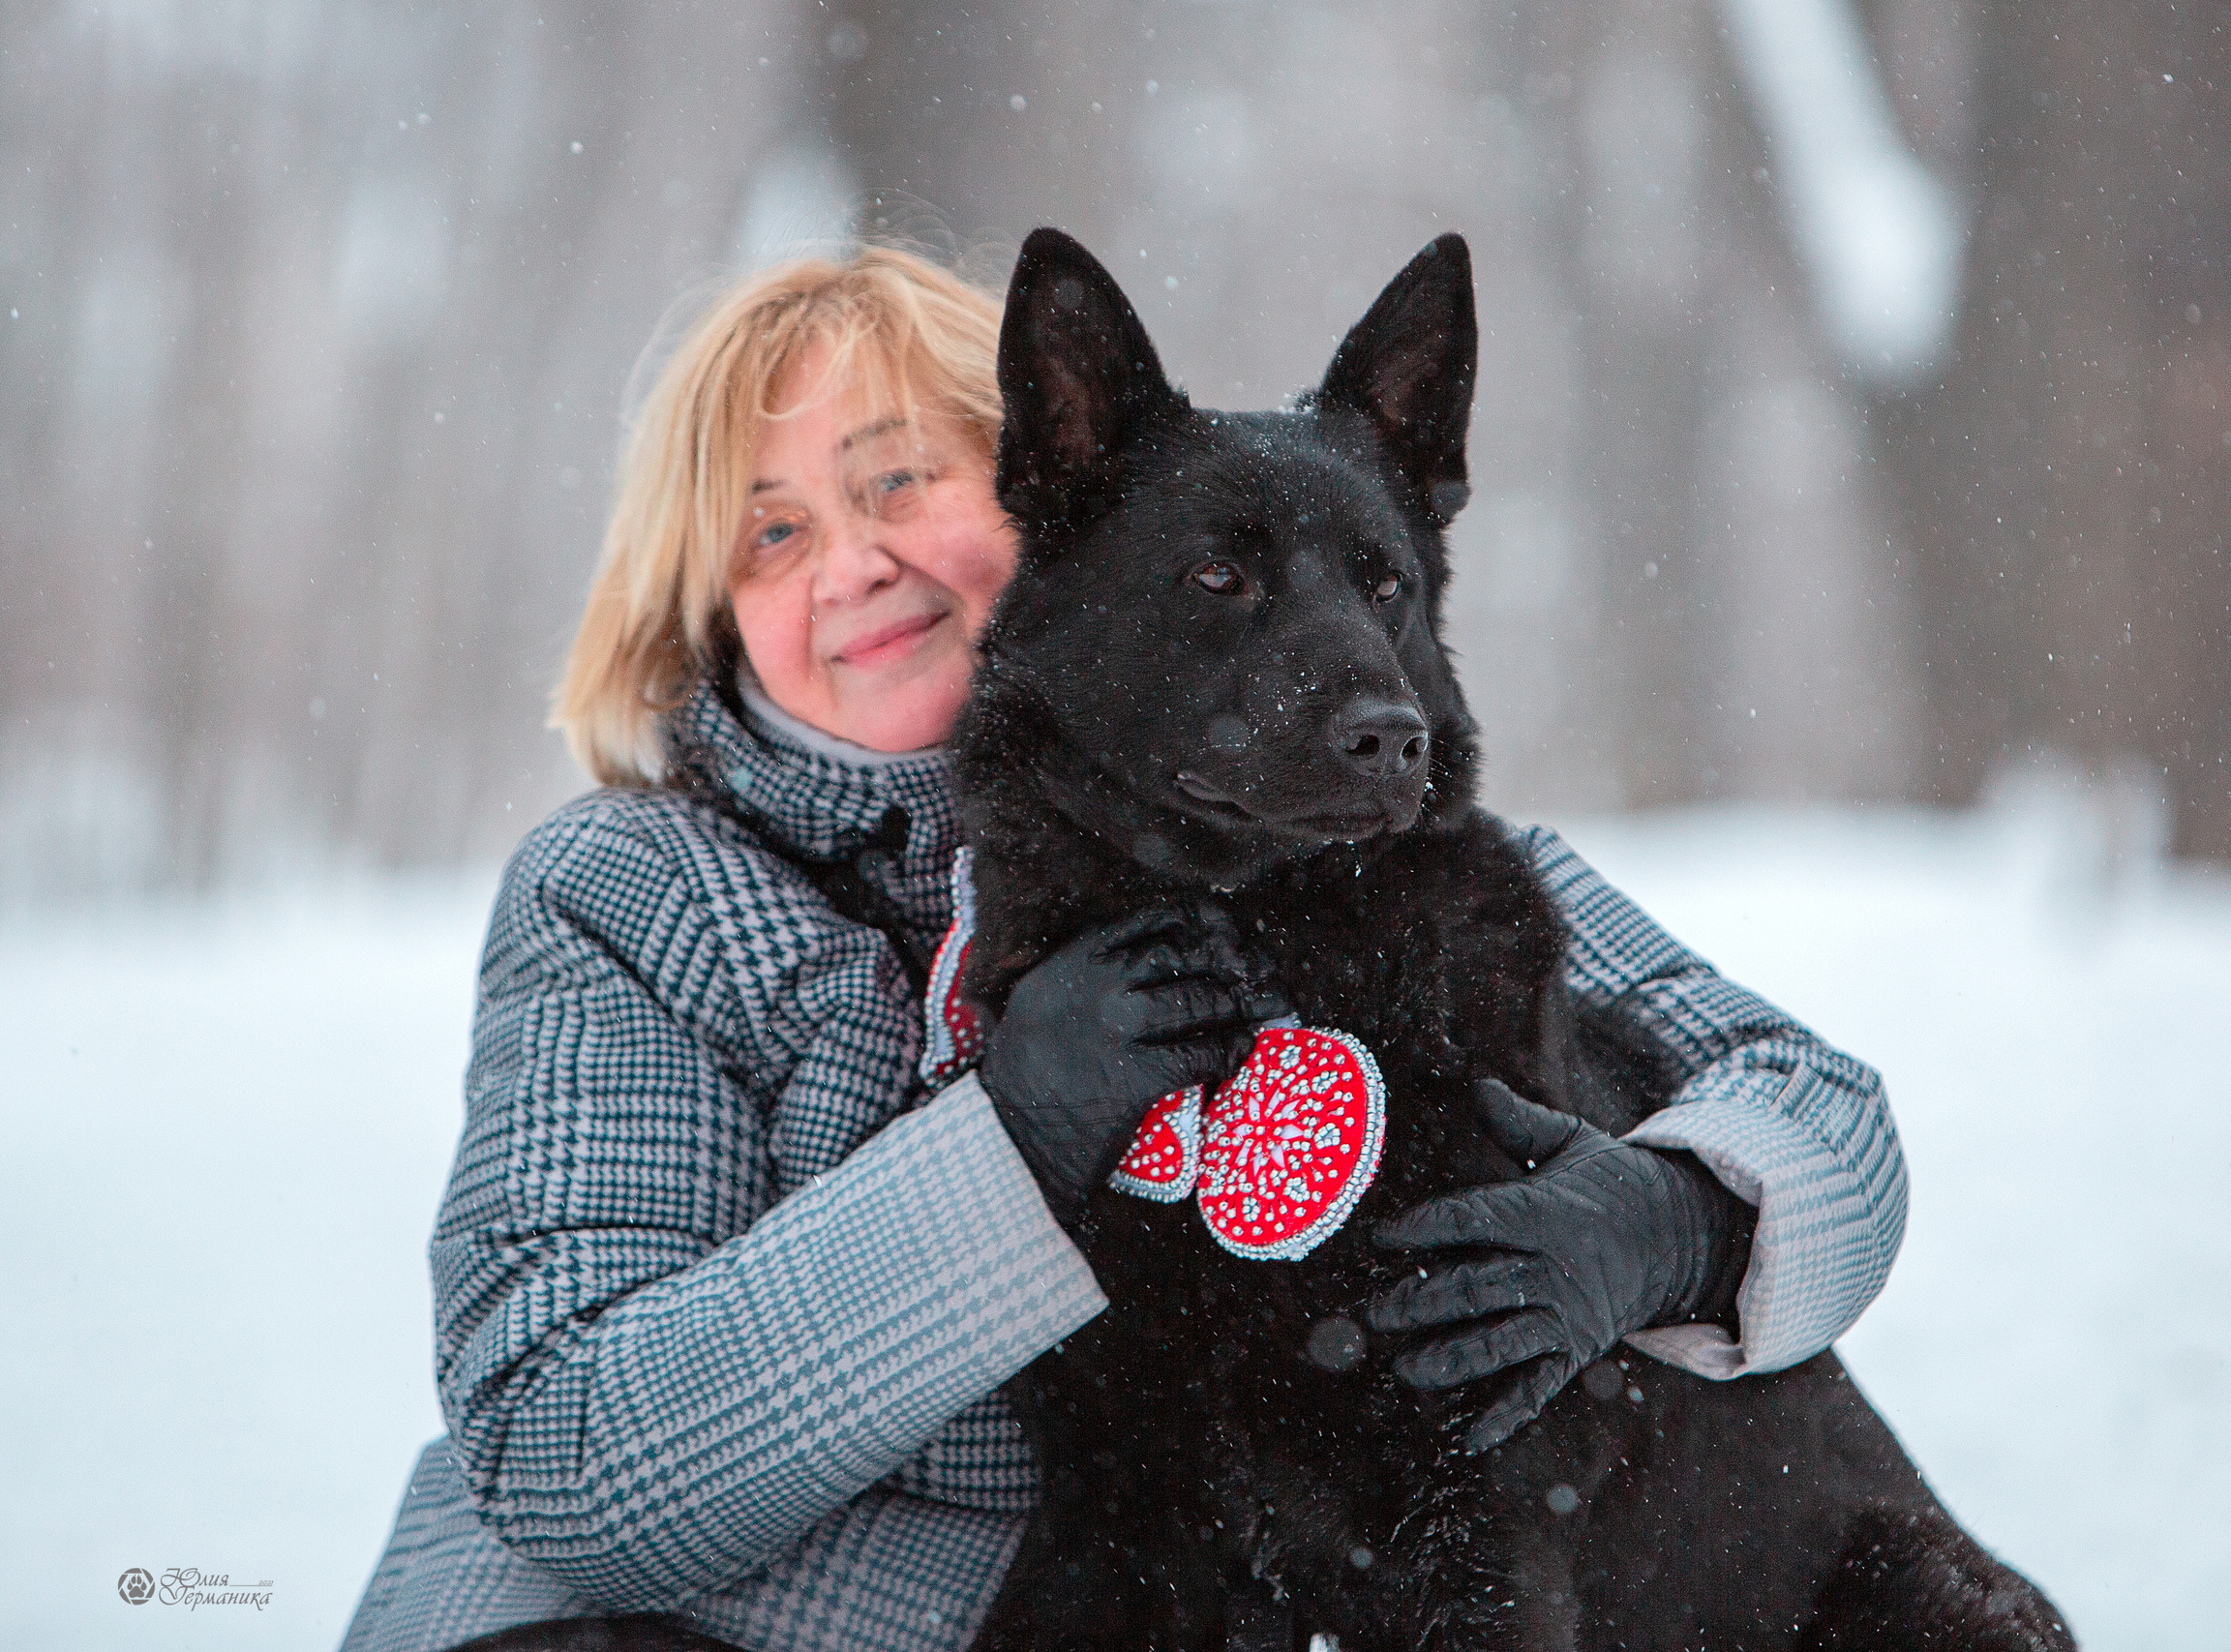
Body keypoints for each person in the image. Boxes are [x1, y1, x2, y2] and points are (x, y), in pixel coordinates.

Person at [341, 247, 1908, 1652]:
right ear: (702, 600)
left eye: (895, 485)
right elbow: (570, 1463)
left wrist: (1675, 1222)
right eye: (768, 535)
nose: (848, 563)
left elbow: (1817, 1107)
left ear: (1037, 484)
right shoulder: (627, 892)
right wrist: (1001, 1156)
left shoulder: (1332, 845)